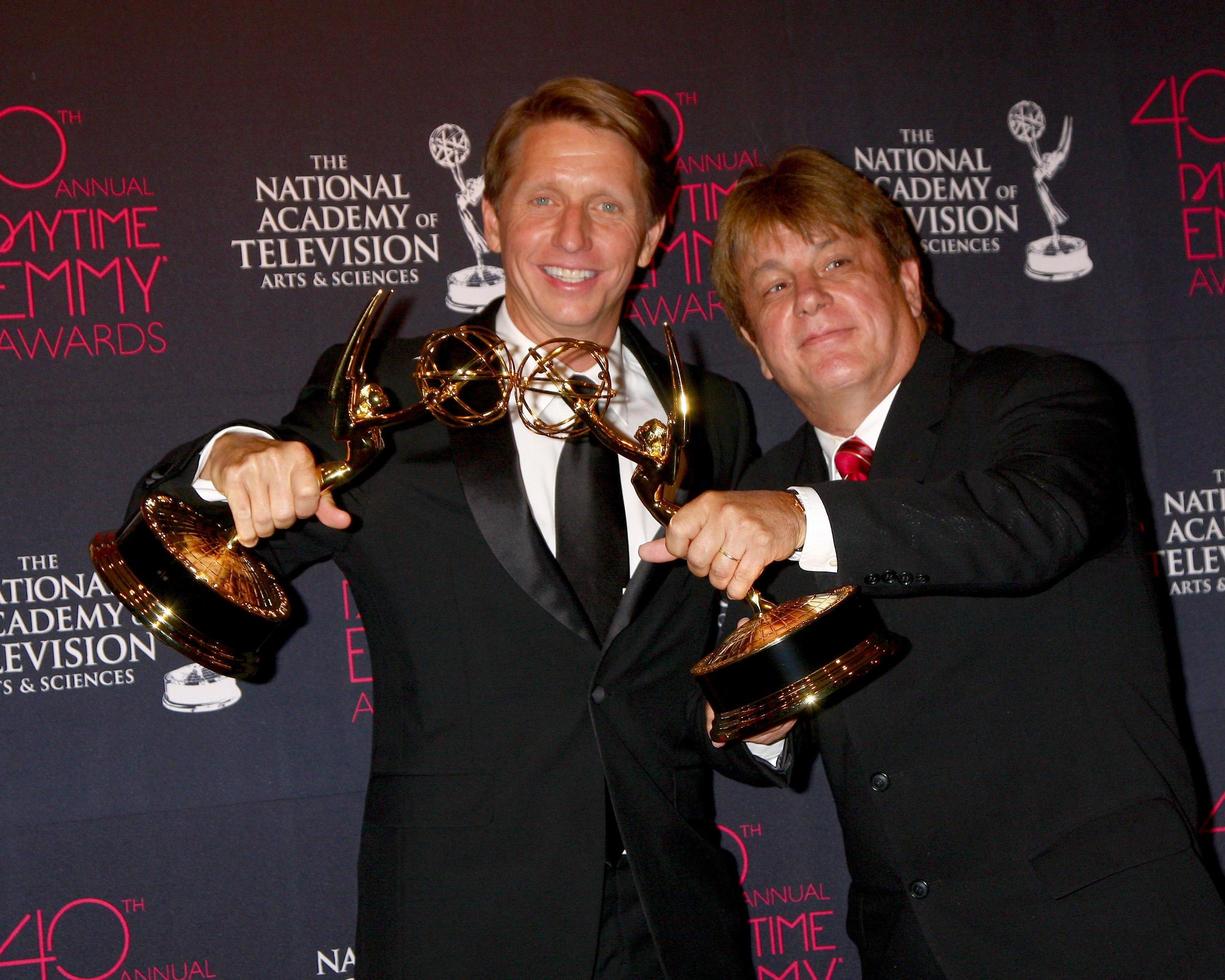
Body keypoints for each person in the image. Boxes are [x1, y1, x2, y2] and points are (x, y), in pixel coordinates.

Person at [132, 79, 789, 978]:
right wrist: (233, 458)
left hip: (676, 928)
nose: (572, 236)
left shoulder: (713, 414)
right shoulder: (391, 391)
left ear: (652, 235)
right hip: (458, 921)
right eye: (542, 200)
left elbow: (702, 673)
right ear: (489, 218)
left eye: (607, 206)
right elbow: (201, 525)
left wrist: (771, 711)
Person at [640, 147, 1225, 977]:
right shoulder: (762, 488)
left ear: (911, 285)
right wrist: (754, 722)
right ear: (756, 348)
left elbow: (1033, 521)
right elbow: (746, 732)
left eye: (836, 261)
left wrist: (800, 518)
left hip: (1105, 933)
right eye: (772, 286)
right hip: (912, 950)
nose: (808, 298)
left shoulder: (1037, 396)